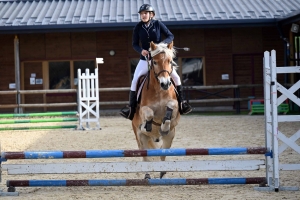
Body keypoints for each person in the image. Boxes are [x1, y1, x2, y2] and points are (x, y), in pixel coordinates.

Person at [120, 4, 192, 120]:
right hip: (145, 59)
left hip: (160, 58)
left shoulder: (158, 24)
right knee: (135, 80)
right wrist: (141, 50)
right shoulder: (138, 27)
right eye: (141, 14)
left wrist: (162, 45)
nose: (143, 15)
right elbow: (134, 44)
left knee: (176, 78)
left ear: (151, 14)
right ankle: (131, 108)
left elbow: (170, 36)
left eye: (145, 13)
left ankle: (182, 104)